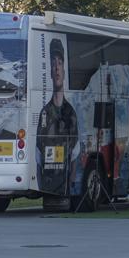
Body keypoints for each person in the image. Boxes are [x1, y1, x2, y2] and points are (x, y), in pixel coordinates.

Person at [36, 39, 77, 195]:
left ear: (64, 72)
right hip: (48, 185)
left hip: (65, 185)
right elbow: (38, 159)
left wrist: (70, 188)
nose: (57, 68)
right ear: (51, 73)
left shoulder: (71, 113)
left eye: (60, 63)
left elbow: (74, 157)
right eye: (53, 63)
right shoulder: (44, 113)